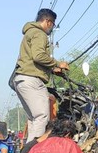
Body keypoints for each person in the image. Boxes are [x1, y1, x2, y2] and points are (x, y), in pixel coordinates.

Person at [11, 8, 69, 140]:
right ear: (48, 22)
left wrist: (53, 70)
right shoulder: (39, 33)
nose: (52, 28)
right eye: (53, 24)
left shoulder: (30, 32)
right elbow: (38, 56)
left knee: (34, 119)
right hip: (32, 80)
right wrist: (58, 64)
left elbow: (33, 59)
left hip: (22, 80)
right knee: (42, 117)